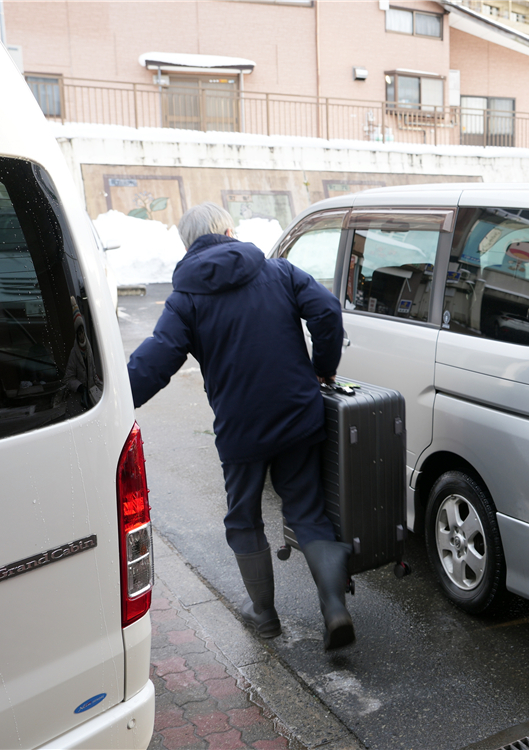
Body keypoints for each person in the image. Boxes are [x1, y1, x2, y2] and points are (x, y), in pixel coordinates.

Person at [127, 202, 355, 650]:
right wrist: (321, 369)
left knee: (244, 518)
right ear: (229, 230)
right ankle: (335, 609)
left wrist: (114, 405)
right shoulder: (279, 271)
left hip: (241, 430)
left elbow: (157, 358)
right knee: (308, 513)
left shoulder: (186, 297)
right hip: (298, 416)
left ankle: (265, 616)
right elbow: (326, 311)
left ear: (189, 245)